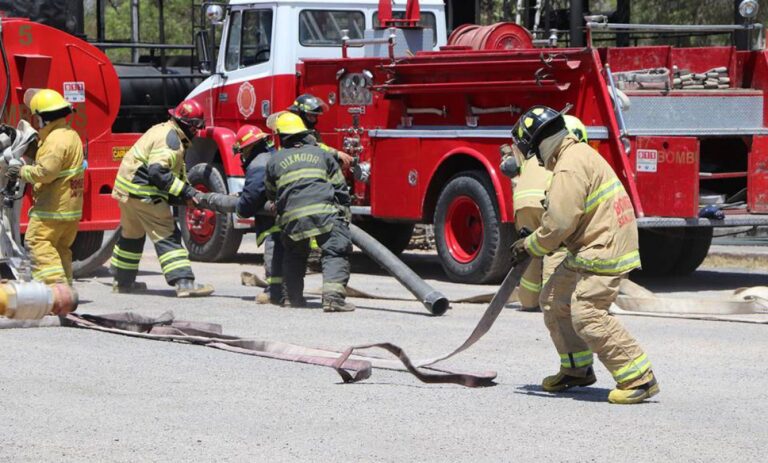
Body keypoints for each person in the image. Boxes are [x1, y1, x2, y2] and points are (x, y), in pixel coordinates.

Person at [509, 105, 658, 405]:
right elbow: (570, 218)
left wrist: (529, 245)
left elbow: (559, 224)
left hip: (603, 247)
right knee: (552, 299)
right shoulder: (574, 155)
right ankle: (576, 369)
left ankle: (638, 378)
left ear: (538, 145)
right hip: (594, 243)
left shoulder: (568, 165)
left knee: (587, 313)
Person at [110, 99, 213, 298]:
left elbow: (165, 176)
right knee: (167, 234)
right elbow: (158, 173)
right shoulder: (171, 141)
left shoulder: (162, 130)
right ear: (188, 125)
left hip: (127, 192)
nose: (198, 131)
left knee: (131, 235)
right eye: (197, 126)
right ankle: (184, 282)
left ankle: (122, 282)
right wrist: (189, 193)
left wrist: (183, 196)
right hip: (144, 194)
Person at [265, 112, 354, 312]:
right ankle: (333, 299)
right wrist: (345, 212)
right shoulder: (322, 154)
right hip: (325, 214)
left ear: (281, 136)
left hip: (291, 218)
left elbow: (271, 192)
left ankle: (291, 298)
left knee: (294, 254)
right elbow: (340, 187)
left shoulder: (275, 160)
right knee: (335, 250)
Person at [500, 115, 588, 311]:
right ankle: (552, 298)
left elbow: (515, 169)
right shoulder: (565, 157)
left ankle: (528, 300)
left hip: (522, 204)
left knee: (529, 251)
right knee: (556, 248)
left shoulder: (536, 151)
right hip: (546, 202)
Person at [195, 125, 284, 305]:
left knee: (274, 239)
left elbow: (249, 202)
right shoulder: (272, 156)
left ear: (247, 147)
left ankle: (275, 291)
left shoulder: (258, 164)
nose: (242, 155)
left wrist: (241, 206)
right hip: (295, 211)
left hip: (280, 216)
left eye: (242, 151)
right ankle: (291, 291)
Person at [6, 89, 84, 285]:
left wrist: (21, 172)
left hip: (53, 208)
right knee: (59, 249)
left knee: (37, 242)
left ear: (44, 117)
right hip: (71, 208)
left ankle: (55, 290)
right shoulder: (70, 134)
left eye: (37, 117)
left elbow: (46, 173)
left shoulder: (54, 141)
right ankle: (67, 290)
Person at [287, 94, 355, 169]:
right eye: (310, 116)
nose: (314, 120)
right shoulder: (294, 131)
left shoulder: (310, 130)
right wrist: (336, 154)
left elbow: (321, 148)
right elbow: (313, 146)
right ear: (300, 114)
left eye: (315, 116)